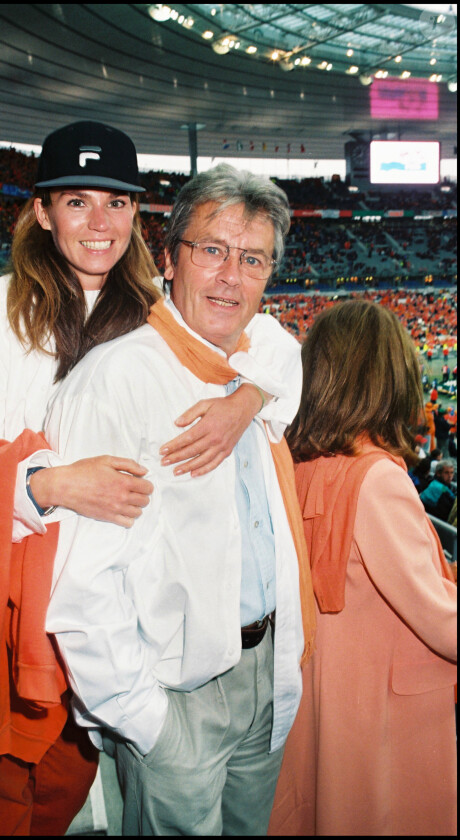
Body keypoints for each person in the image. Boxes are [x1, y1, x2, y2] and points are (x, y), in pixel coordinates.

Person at [0, 124, 269, 836]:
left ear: (137, 214)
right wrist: (51, 485)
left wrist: (249, 397)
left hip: (104, 634)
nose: (99, 225)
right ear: (42, 211)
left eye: (116, 203)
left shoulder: (160, 313)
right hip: (4, 621)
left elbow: (276, 345)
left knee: (58, 809)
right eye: (76, 202)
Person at [44, 163, 316, 836]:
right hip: (176, 692)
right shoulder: (117, 378)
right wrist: (145, 721)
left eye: (252, 259)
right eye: (212, 250)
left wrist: (247, 395)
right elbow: (79, 582)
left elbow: (287, 353)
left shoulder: (255, 362)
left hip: (265, 669)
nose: (231, 275)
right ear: (169, 258)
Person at [269, 300, 457, 837]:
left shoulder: (298, 463)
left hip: (324, 702)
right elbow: (444, 623)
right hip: (383, 721)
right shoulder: (378, 479)